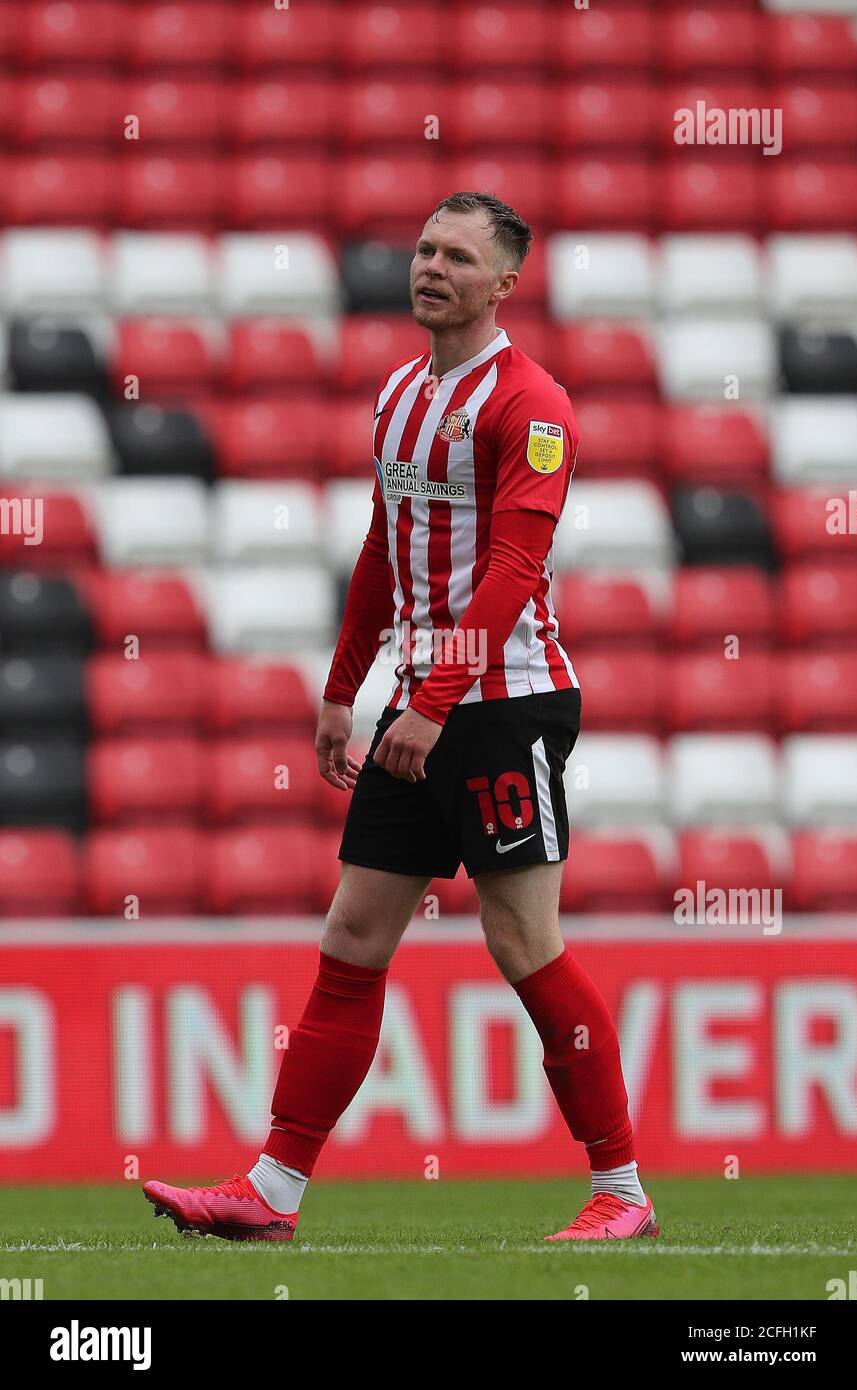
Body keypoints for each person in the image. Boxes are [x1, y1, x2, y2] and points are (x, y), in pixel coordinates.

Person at [143, 191, 658, 1244]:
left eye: (458, 257)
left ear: (504, 282)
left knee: (520, 937)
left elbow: (514, 567)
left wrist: (427, 704)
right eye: (424, 249)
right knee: (351, 934)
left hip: (501, 701)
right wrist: (343, 691)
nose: (430, 267)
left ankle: (621, 1192)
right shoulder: (397, 395)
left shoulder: (532, 404)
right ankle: (271, 1190)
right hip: (415, 704)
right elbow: (383, 552)